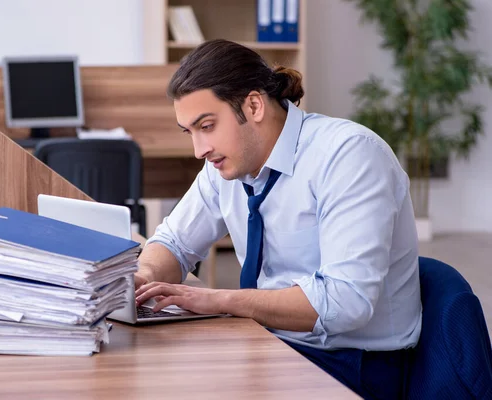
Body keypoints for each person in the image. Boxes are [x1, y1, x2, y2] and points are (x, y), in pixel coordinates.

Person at [134, 39, 421, 399]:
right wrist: (142, 279)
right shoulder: (224, 164)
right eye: (189, 132)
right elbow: (173, 244)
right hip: (268, 343)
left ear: (253, 105)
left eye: (206, 126)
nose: (198, 150)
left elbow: (347, 302)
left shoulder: (349, 156)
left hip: (352, 365)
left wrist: (220, 301)